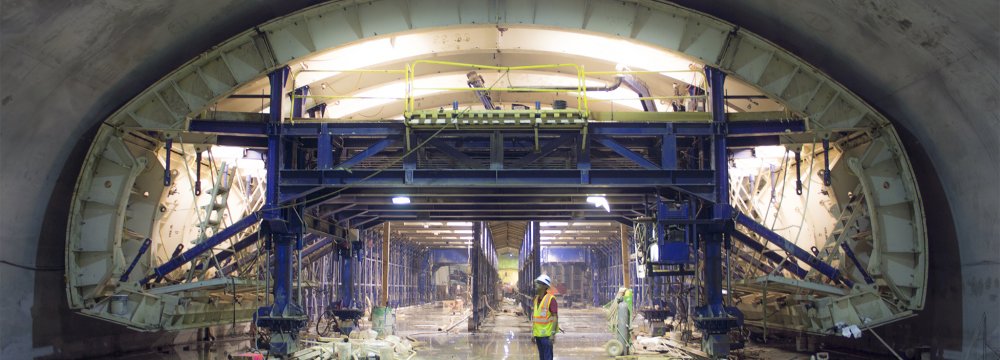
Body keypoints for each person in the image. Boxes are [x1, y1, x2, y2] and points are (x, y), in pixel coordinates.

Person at [532, 274, 559, 360]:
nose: (536, 285)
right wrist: (533, 333)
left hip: (547, 336)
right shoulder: (536, 299)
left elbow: (555, 317)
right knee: (542, 357)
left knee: (547, 357)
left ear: (544, 286)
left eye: (539, 283)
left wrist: (553, 334)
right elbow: (536, 318)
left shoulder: (551, 299)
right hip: (538, 335)